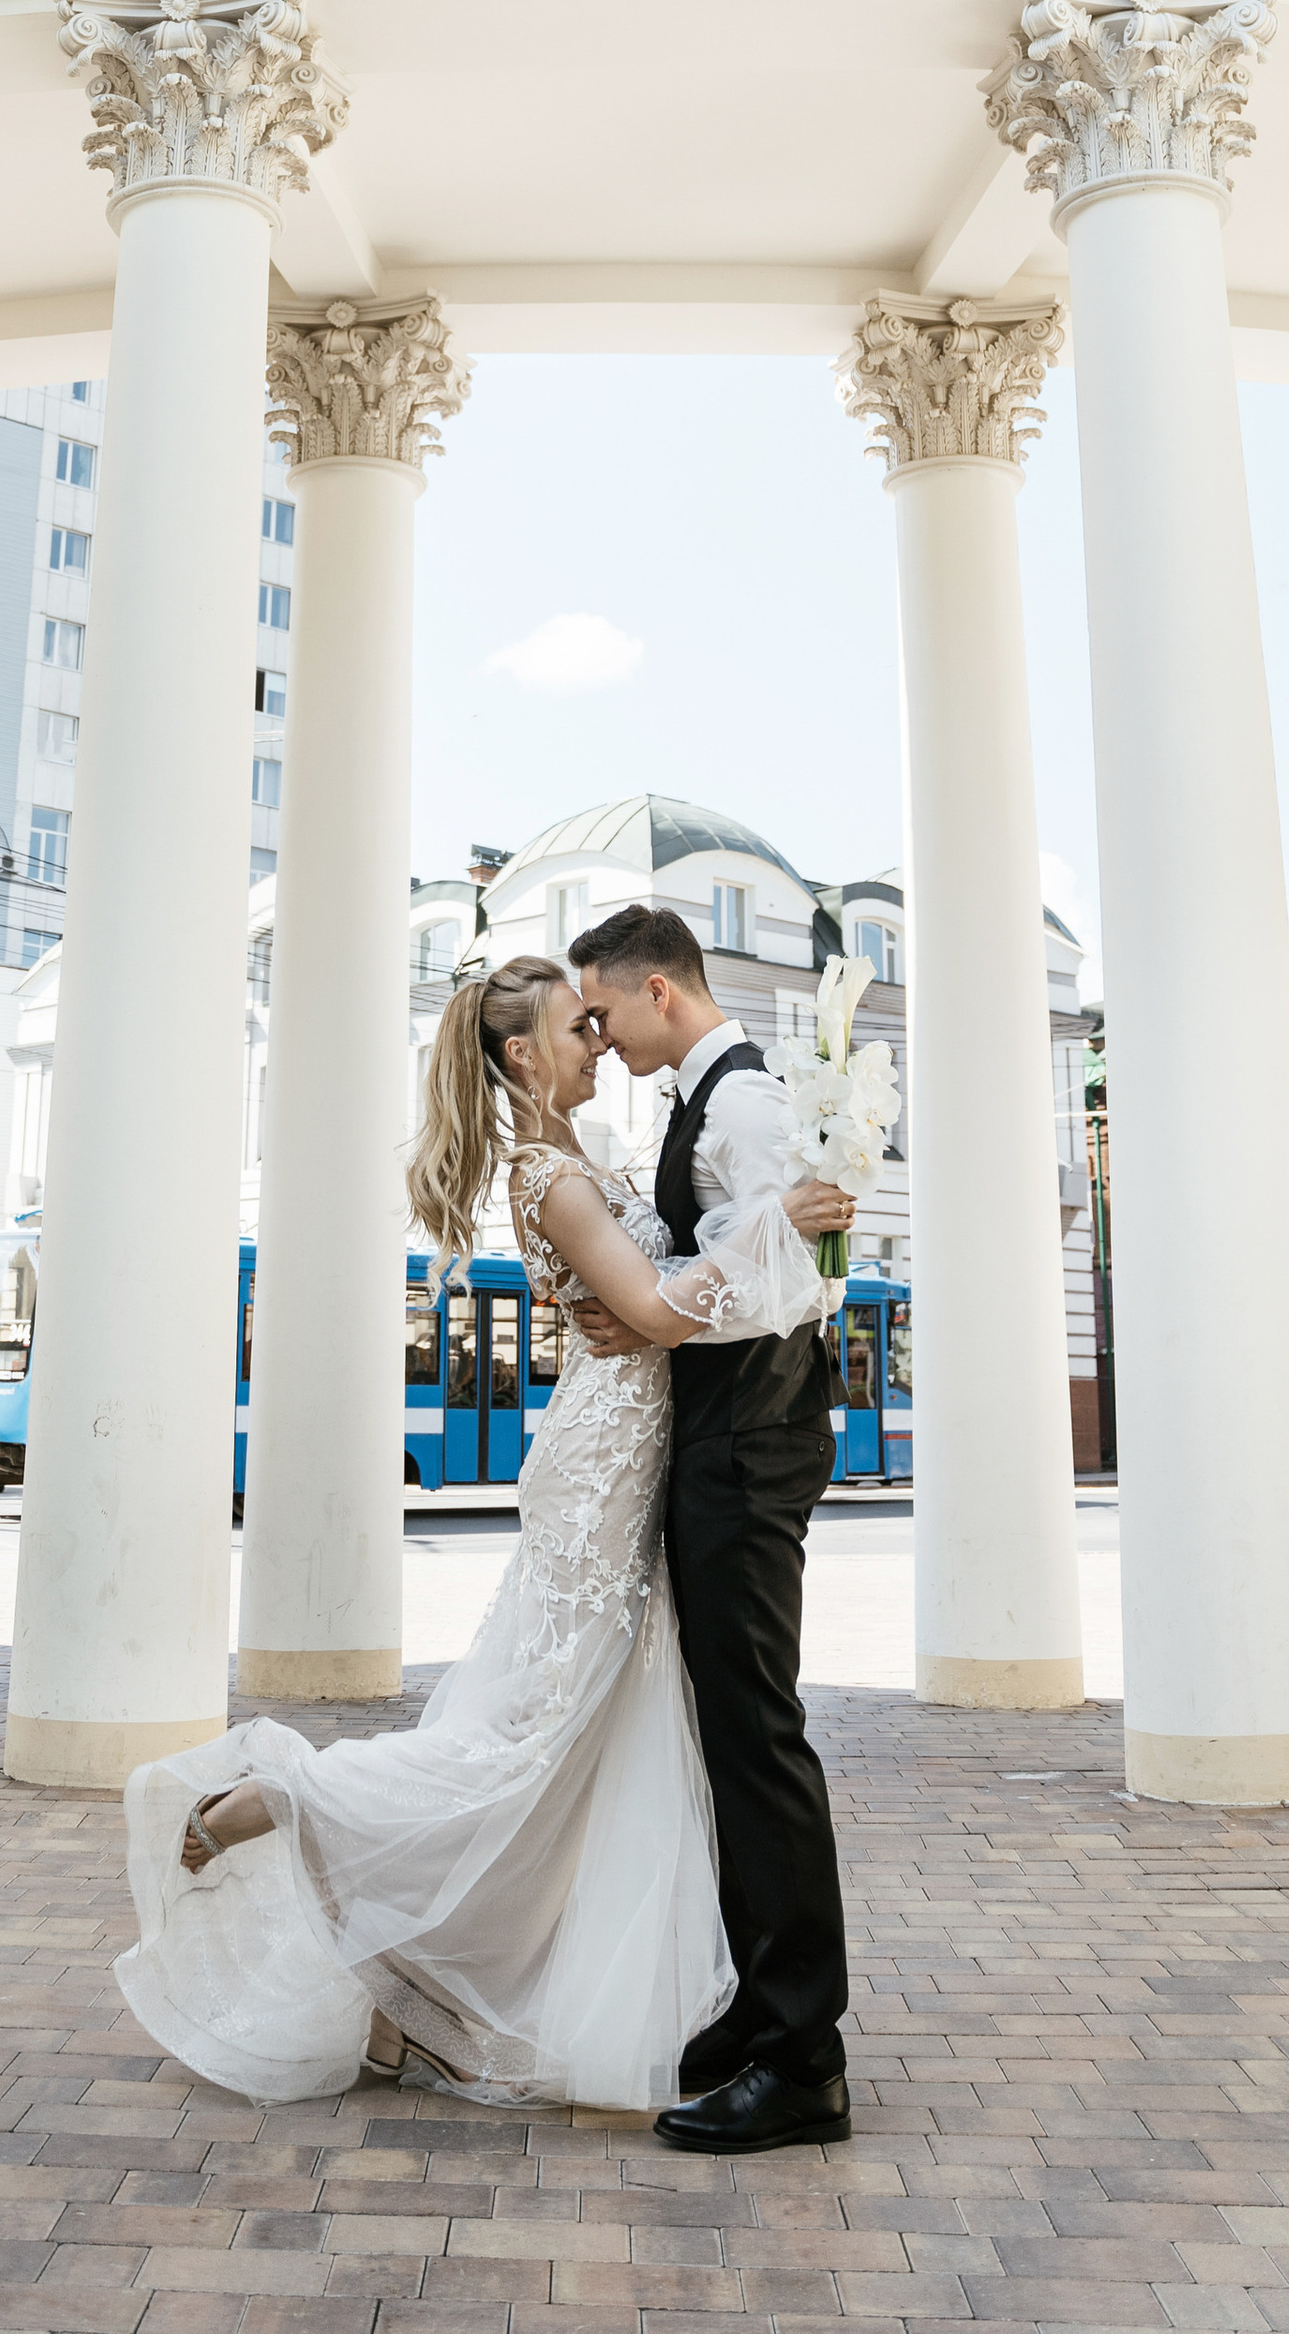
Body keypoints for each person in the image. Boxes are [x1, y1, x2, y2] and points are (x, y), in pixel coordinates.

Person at [112, 952, 850, 2118]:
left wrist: (709, 1260)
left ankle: (432, 1992)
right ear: (522, 1057)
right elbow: (655, 1312)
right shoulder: (549, 1174)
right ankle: (277, 1797)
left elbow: (649, 1301)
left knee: (561, 1734)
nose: (597, 1041)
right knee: (525, 1732)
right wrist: (779, 1228)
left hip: (632, 1445)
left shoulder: (583, 1160)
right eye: (577, 1027)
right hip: (603, 1465)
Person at [568, 902, 855, 2159]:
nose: (599, 1033)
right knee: (733, 1732)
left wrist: (650, 1315)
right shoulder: (702, 1097)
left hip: (748, 1445)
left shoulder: (736, 1104)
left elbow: (795, 1277)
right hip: (721, 1445)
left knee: (756, 1736)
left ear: (660, 994)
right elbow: (751, 1247)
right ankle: (762, 2014)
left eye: (604, 1010)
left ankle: (803, 2060)